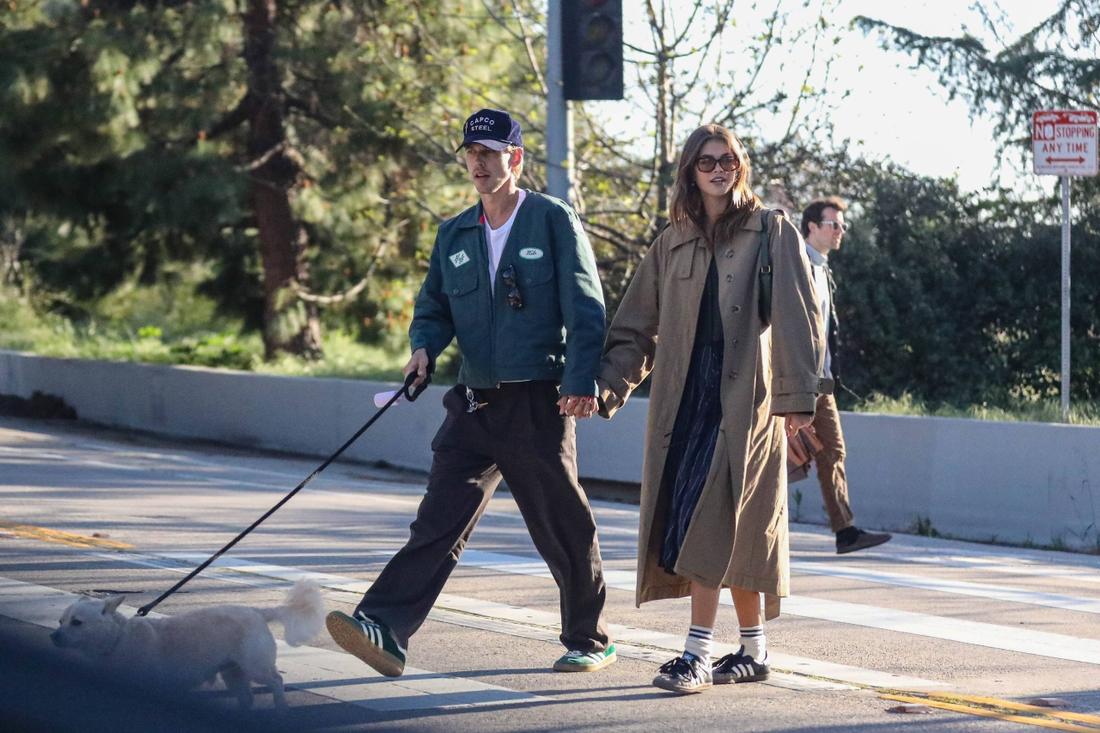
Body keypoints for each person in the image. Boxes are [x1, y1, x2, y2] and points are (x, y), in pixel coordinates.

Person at [326, 108, 616, 676]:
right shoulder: (454, 232)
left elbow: (586, 307)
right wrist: (423, 347)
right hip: (474, 403)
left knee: (560, 523)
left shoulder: (551, 220)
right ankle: (384, 627)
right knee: (437, 520)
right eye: (471, 154)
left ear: (515, 158)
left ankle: (590, 637)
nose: (479, 163)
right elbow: (433, 307)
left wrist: (581, 383)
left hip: (537, 401)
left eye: (489, 152)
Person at [596, 124, 827, 694]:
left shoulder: (770, 230)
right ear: (689, 171)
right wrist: (605, 386)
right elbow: (634, 329)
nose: (720, 169)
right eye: (707, 162)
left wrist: (799, 401)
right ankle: (753, 651)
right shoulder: (670, 241)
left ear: (740, 166)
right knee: (733, 527)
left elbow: (801, 316)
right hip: (683, 400)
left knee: (710, 517)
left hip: (745, 399)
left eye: (729, 160)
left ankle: (695, 653)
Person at [799, 197, 892, 554]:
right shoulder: (800, 264)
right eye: (832, 224)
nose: (840, 231)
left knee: (831, 450)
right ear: (812, 227)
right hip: (798, 379)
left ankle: (845, 530)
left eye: (842, 225)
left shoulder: (822, 268)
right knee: (780, 457)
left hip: (821, 380)